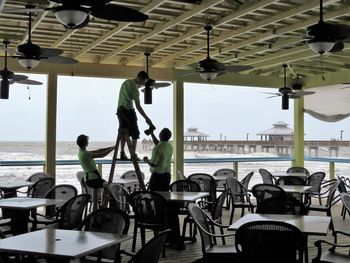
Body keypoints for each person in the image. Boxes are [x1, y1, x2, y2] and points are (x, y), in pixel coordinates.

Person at [117, 70, 154, 160]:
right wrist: (146, 118)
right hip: (129, 111)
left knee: (124, 132)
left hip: (120, 111)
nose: (143, 84)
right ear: (140, 78)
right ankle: (133, 154)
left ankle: (122, 153)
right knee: (135, 133)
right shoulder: (135, 90)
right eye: (144, 81)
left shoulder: (126, 82)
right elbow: (138, 106)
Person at [76, 134, 115, 210]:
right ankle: (103, 206)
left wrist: (111, 147)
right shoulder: (86, 154)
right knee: (109, 186)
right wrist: (112, 149)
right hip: (93, 179)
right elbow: (101, 155)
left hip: (87, 179)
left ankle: (95, 211)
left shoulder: (81, 152)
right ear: (85, 143)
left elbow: (98, 151)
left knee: (95, 200)